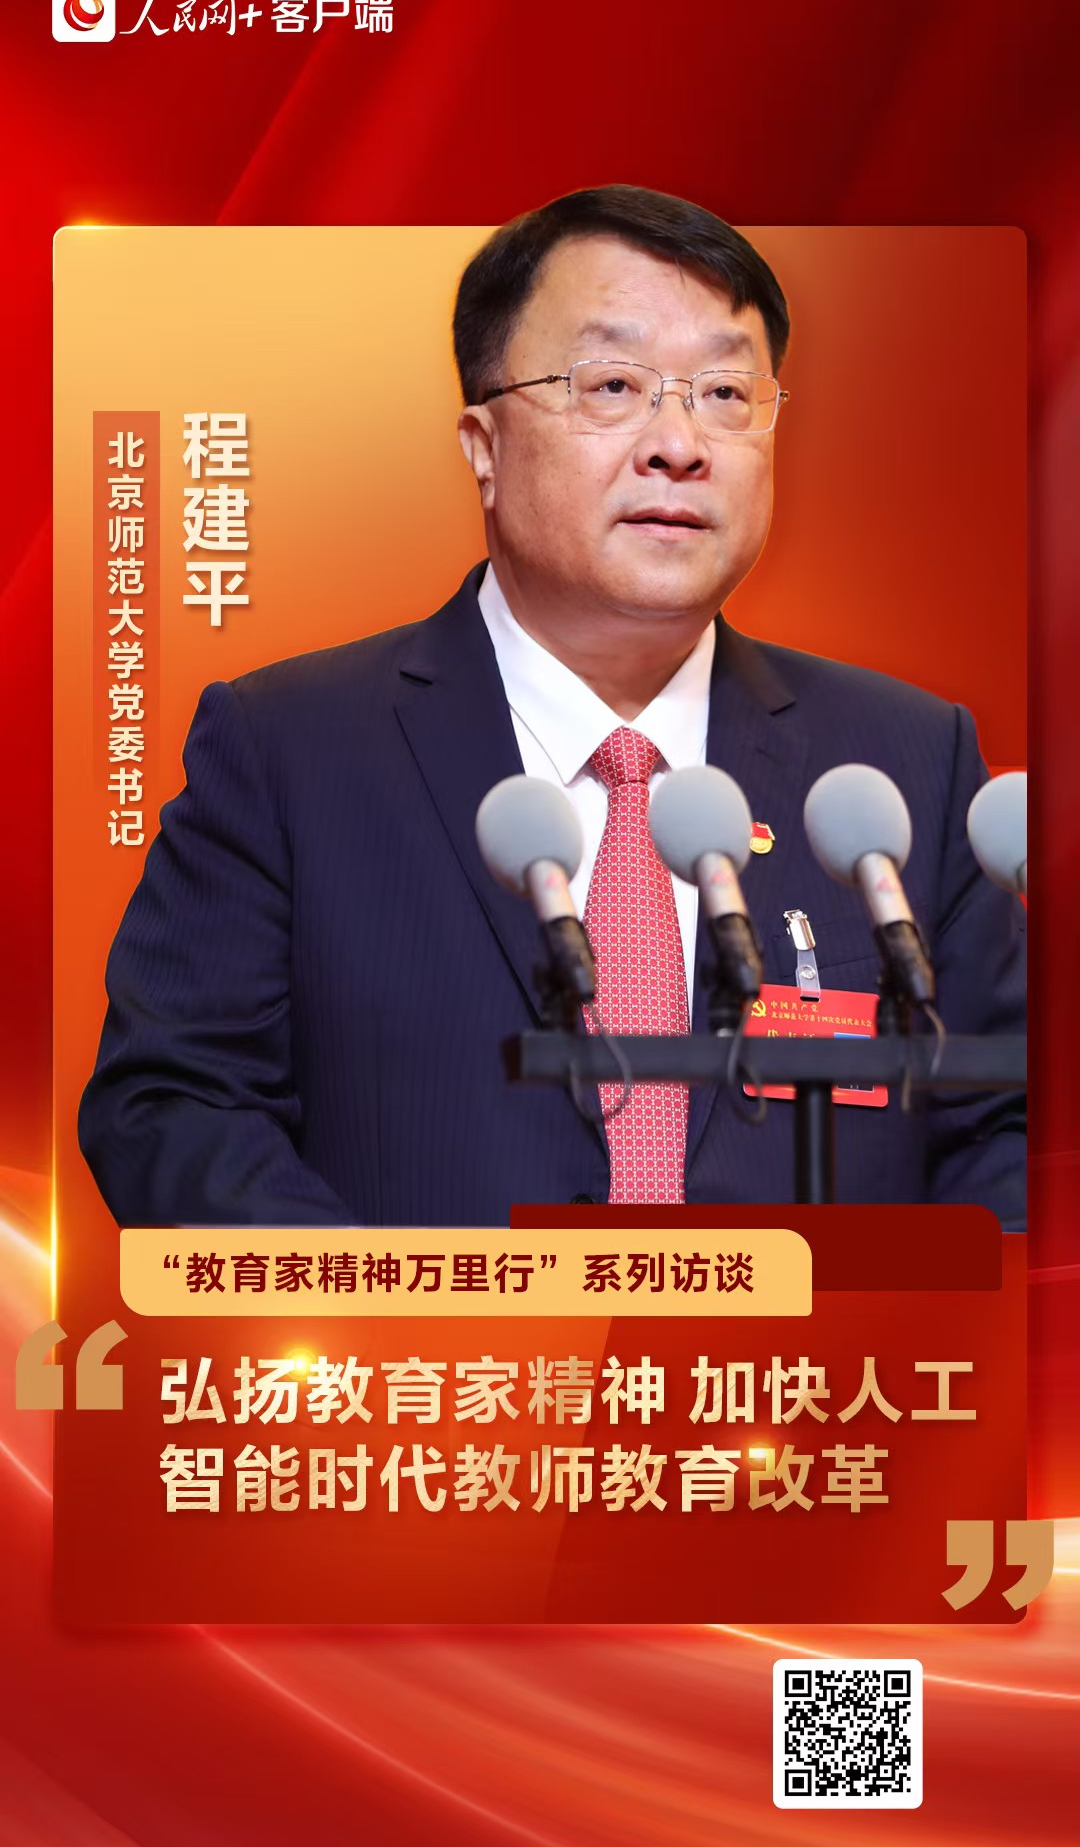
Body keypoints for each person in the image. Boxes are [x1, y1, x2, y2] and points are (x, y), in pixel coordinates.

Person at [78, 186, 1026, 1230]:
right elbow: (176, 1104)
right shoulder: (287, 748)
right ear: (483, 445)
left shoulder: (904, 764)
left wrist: (901, 1316)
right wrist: (411, 1315)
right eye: (614, 384)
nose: (680, 444)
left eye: (726, 392)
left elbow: (1004, 1132)